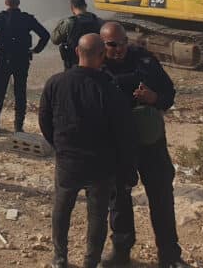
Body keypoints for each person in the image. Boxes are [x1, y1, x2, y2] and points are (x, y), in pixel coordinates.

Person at [39, 34, 135, 268]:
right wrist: (127, 167)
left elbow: (45, 120)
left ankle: (60, 258)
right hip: (100, 164)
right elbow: (123, 131)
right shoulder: (109, 89)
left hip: (68, 160)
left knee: (62, 208)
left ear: (76, 52)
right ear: (102, 56)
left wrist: (60, 146)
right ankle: (90, 262)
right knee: (97, 216)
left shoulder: (56, 82)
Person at [100, 22, 189, 268]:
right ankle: (121, 250)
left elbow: (169, 93)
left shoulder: (144, 60)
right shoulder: (96, 65)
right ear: (102, 44)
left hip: (151, 142)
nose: (120, 49)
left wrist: (155, 98)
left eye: (124, 43)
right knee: (119, 198)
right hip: (117, 145)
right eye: (113, 45)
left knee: (161, 195)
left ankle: (169, 255)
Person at [0, 0, 50, 133]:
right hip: (22, 59)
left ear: (6, 2)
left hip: (4, 59)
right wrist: (35, 50)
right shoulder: (27, 19)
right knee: (20, 92)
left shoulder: (0, 18)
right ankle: (18, 126)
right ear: (18, 3)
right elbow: (45, 35)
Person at [51, 0, 102, 71]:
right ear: (86, 5)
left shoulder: (69, 23)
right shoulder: (98, 21)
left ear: (72, 8)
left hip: (73, 64)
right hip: (94, 63)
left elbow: (55, 40)